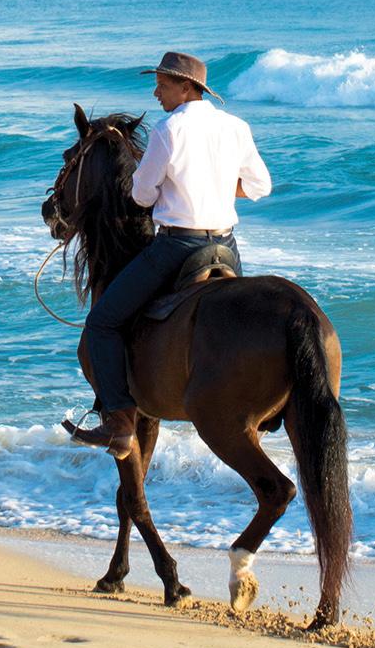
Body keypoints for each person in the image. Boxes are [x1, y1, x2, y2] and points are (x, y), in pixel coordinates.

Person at [64, 49, 272, 458]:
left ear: (186, 87)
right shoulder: (236, 127)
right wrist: (215, 186)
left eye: (162, 84)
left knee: (103, 323)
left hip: (180, 245)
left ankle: (120, 423)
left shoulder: (169, 129)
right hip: (226, 247)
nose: (156, 92)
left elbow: (142, 195)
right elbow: (260, 186)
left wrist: (173, 187)